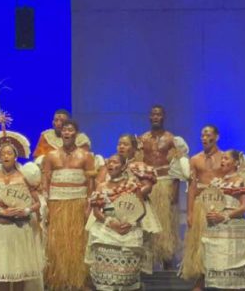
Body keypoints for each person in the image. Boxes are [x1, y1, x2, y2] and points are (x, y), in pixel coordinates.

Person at [0, 136, 45, 289]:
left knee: (18, 272)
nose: (6, 156)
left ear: (15, 156)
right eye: (3, 154)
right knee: (3, 272)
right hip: (0, 230)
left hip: (20, 229)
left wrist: (26, 210)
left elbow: (37, 203)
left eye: (9, 153)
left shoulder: (24, 177)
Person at [86, 154, 159, 291]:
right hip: (106, 228)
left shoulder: (132, 186)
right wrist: (110, 223)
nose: (111, 165)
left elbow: (141, 210)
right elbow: (96, 212)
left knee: (127, 277)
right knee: (105, 277)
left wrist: (130, 223)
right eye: (109, 162)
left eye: (115, 162)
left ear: (124, 166)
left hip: (128, 229)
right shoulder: (101, 186)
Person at [41, 119, 95, 290]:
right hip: (56, 204)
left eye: (70, 130)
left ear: (76, 134)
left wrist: (89, 206)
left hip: (78, 204)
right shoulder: (51, 156)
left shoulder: (86, 156)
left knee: (78, 242)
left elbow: (91, 183)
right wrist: (46, 205)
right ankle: (58, 279)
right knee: (56, 242)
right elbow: (45, 181)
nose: (66, 132)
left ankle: (78, 279)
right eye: (64, 130)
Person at [198, 150, 245, 290]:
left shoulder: (242, 181)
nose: (222, 161)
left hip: (233, 229)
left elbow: (244, 207)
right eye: (222, 159)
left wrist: (224, 216)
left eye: (226, 158)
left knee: (232, 269)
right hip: (215, 229)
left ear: (236, 162)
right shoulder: (217, 182)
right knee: (217, 265)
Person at [138, 105, 189, 269]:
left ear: (163, 117)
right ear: (149, 117)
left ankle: (167, 262)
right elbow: (138, 164)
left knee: (166, 225)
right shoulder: (143, 138)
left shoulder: (171, 139)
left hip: (166, 183)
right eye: (153, 114)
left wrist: (175, 189)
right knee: (148, 224)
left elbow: (177, 167)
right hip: (148, 184)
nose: (155, 117)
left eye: (158, 114)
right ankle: (148, 265)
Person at [179, 124, 225, 288]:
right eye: (202, 135)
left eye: (208, 135)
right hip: (201, 205)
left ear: (216, 137)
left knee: (219, 243)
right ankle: (201, 280)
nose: (204, 138)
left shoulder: (225, 158)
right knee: (200, 244)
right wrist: (190, 213)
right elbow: (191, 187)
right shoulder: (195, 159)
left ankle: (221, 279)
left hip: (220, 205)